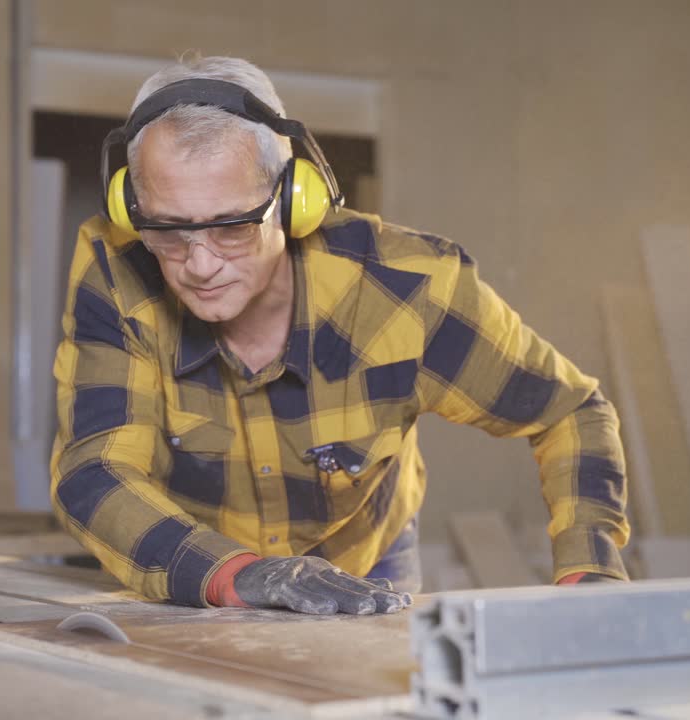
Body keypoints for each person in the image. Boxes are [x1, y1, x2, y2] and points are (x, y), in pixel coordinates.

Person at [50, 54, 630, 616]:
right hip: (200, 566)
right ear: (133, 211)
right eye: (168, 230)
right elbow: (95, 471)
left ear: (293, 201)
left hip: (366, 556)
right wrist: (238, 575)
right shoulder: (117, 272)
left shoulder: (405, 290)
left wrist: (590, 575)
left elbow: (570, 411)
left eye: (231, 228)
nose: (198, 264)